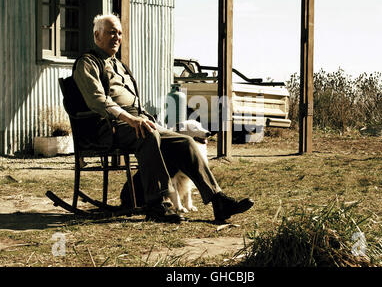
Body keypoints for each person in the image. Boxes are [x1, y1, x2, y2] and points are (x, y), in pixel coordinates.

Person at [73, 13, 254, 223]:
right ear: (97, 35)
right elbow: (97, 100)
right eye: (111, 32)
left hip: (135, 122)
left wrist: (146, 120)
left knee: (184, 141)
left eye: (120, 33)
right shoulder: (88, 62)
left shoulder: (119, 65)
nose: (117, 37)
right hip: (107, 126)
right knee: (147, 133)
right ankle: (158, 205)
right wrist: (130, 119)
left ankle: (218, 200)